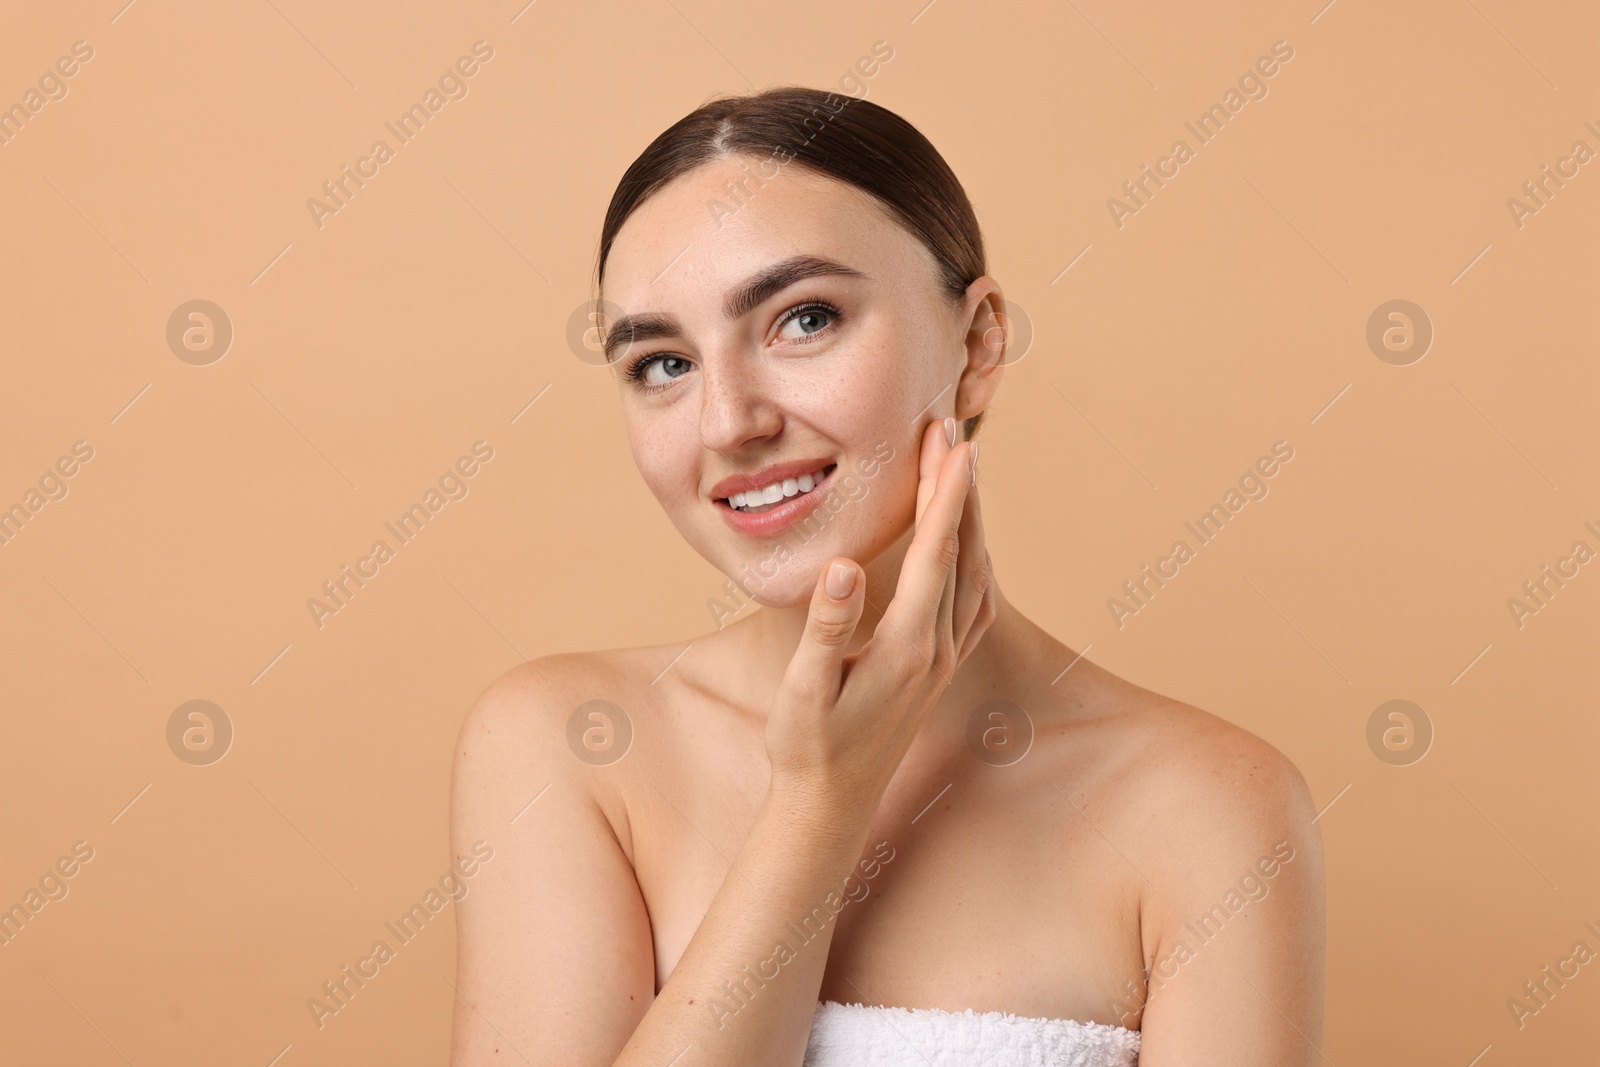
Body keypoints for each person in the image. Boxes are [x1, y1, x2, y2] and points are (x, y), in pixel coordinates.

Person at [449, 86, 1325, 1066]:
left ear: (978, 341)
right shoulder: (566, 744)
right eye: (661, 362)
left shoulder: (1208, 806)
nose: (728, 423)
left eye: (804, 318)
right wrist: (817, 803)